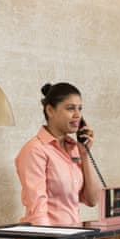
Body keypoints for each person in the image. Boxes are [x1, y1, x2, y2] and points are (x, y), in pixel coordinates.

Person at [15, 82, 105, 225]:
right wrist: (48, 238)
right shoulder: (35, 150)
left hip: (73, 233)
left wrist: (85, 154)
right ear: (50, 110)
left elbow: (92, 200)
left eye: (79, 109)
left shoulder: (74, 148)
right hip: (50, 235)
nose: (78, 115)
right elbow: (37, 211)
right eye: (70, 108)